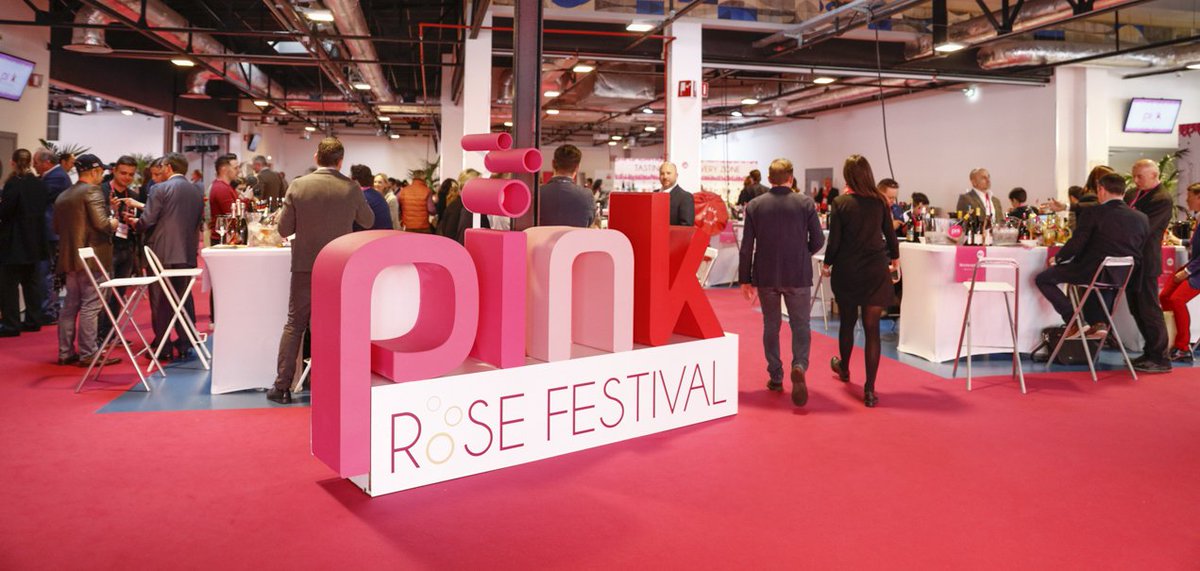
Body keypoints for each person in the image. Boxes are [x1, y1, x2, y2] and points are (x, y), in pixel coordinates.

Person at [267, 138, 374, 404]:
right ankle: (335, 384)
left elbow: (283, 230)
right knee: (337, 325)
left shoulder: (298, 185)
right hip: (338, 267)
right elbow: (368, 220)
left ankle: (282, 387)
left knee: (295, 324)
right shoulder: (351, 188)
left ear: (316, 157)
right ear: (341, 161)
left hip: (304, 264)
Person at [738, 158, 824, 406]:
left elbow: (747, 247)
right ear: (791, 177)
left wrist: (745, 278)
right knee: (800, 325)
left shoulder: (754, 205)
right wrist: (801, 251)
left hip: (766, 275)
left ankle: (776, 376)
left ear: (769, 178)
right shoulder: (805, 202)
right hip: (797, 274)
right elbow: (818, 241)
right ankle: (799, 364)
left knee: (771, 325)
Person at [822, 155, 899, 408]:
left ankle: (844, 369)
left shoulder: (840, 202)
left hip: (848, 270)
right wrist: (895, 260)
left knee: (846, 322)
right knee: (872, 329)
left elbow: (834, 241)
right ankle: (869, 390)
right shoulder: (879, 202)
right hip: (875, 271)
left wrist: (827, 263)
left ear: (848, 177)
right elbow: (890, 235)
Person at [1034, 173, 1148, 339]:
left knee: (1044, 278)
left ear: (1101, 190)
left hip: (1092, 272)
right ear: (1123, 192)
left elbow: (1077, 242)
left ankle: (1074, 321)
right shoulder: (1141, 218)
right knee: (1097, 282)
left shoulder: (1094, 212)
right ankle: (1099, 323)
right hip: (1123, 276)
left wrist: (1058, 258)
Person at [125, 153, 205, 362]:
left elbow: (147, 221)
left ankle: (163, 346)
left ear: (168, 167)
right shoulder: (197, 190)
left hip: (161, 252)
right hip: (186, 252)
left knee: (161, 300)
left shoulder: (159, 188)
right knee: (183, 298)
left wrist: (135, 223)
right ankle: (186, 342)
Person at [52, 154, 121, 367]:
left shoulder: (64, 195)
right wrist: (114, 221)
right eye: (101, 171)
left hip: (70, 258)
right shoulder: (93, 191)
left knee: (70, 306)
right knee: (91, 305)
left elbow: (56, 228)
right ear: (95, 171)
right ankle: (88, 353)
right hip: (94, 258)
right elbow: (102, 224)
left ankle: (65, 352)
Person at [1125, 159, 1174, 373]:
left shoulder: (1161, 199)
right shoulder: (1135, 194)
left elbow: (1144, 227)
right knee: (1136, 308)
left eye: (1140, 177)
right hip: (1133, 260)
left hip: (1146, 260)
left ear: (1154, 176)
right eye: (1134, 176)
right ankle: (1149, 351)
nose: (1135, 181)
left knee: (1149, 309)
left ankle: (1160, 357)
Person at [0, 149, 49, 337]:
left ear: (12, 163)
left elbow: (6, 211)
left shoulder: (13, 184)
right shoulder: (39, 184)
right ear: (30, 162)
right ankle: (33, 320)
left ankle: (11, 324)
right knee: (32, 283)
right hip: (35, 240)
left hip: (14, 241)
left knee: (9, 284)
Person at [1159, 182, 1200, 363]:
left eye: (1189, 196)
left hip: (1196, 270)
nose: (1186, 199)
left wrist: (1188, 271)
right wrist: (1180, 241)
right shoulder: (1198, 218)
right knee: (1165, 297)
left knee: (1176, 299)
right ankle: (1170, 338)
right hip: (1194, 266)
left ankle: (1183, 347)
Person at [34, 148, 72, 323]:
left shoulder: (56, 177)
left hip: (51, 232)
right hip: (52, 232)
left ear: (46, 162)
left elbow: (39, 198)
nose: (34, 167)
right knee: (49, 272)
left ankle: (48, 311)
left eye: (36, 163)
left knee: (47, 272)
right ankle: (49, 308)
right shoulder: (56, 175)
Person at [538, 145, 594, 228]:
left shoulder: (538, 193)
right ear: (577, 167)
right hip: (575, 240)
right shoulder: (587, 195)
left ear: (553, 163)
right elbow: (589, 222)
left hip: (541, 241)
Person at [350, 164, 392, 230]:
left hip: (374, 236)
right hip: (385, 235)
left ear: (356, 181)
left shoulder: (361, 196)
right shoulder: (376, 194)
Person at [657, 162, 695, 227]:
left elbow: (686, 228)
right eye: (662, 173)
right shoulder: (653, 194)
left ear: (676, 176)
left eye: (668, 173)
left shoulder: (685, 197)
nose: (665, 177)